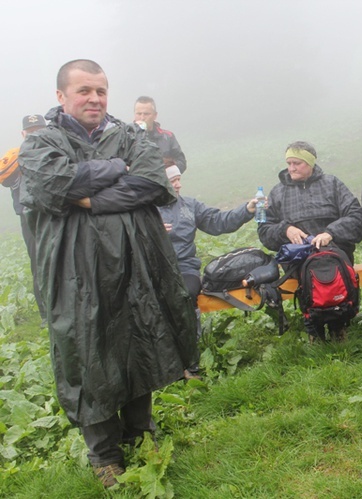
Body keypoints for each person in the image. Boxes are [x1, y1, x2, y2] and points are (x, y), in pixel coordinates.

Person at [18, 59, 197, 487]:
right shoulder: (42, 143)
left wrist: (89, 199)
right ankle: (104, 455)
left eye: (100, 90)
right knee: (89, 354)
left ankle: (140, 435)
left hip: (136, 264)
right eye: (84, 91)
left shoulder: (128, 134)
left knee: (139, 343)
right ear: (62, 96)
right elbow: (50, 185)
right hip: (75, 273)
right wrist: (118, 170)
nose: (94, 98)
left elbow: (154, 183)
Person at [258, 141, 362, 342]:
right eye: (289, 163)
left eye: (297, 163)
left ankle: (339, 322)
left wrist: (330, 233)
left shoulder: (332, 184)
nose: (291, 168)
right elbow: (264, 230)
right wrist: (285, 230)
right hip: (298, 259)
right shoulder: (278, 193)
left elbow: (356, 217)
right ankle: (313, 327)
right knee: (309, 272)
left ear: (310, 163)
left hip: (333, 251)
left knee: (328, 266)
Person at [159, 165, 258, 305]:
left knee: (184, 296)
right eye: (173, 181)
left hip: (185, 269)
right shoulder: (144, 209)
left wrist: (246, 210)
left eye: (179, 179)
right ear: (159, 181)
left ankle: (192, 326)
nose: (178, 185)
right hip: (153, 269)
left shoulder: (189, 206)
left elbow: (217, 221)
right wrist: (150, 230)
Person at [1, 115, 47, 317]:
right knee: (38, 264)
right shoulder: (15, 159)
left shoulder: (53, 153)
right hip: (29, 218)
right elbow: (4, 177)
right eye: (31, 131)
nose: (35, 134)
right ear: (23, 134)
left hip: (52, 215)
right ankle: (46, 313)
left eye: (39, 129)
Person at [134, 96, 187, 172]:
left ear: (155, 115)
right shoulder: (126, 137)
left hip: (164, 182)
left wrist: (164, 168)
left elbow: (182, 163)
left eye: (146, 114)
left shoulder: (168, 137)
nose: (142, 118)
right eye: (138, 114)